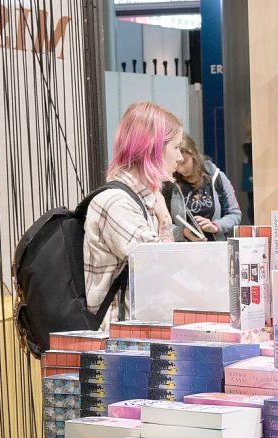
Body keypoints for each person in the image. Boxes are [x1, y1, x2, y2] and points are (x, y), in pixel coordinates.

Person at [83, 101, 182, 325]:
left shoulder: (142, 201)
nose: (180, 157)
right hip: (118, 340)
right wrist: (164, 221)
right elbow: (161, 267)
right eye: (176, 147)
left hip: (133, 332)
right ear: (154, 149)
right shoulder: (117, 203)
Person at [162, 134, 242, 241]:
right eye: (177, 164)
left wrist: (215, 226)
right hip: (184, 251)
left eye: (184, 162)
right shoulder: (170, 184)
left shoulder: (217, 178)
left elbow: (235, 214)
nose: (181, 169)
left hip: (215, 247)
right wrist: (183, 232)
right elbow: (163, 224)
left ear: (193, 154)